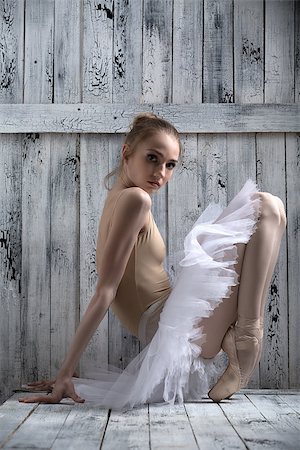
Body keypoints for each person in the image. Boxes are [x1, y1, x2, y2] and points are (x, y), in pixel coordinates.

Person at [19, 112, 287, 410]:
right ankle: (247, 339)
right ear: (127, 152)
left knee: (270, 207)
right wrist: (65, 373)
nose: (161, 172)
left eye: (170, 164)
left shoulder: (120, 196)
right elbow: (105, 291)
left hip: (173, 313)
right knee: (266, 206)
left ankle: (244, 337)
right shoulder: (136, 200)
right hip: (171, 327)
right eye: (152, 158)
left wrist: (65, 372)